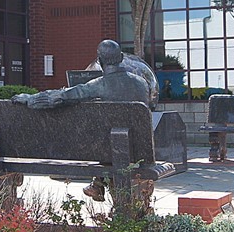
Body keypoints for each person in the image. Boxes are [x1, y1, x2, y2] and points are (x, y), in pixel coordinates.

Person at [11, 40, 149, 200]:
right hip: (140, 149)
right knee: (116, 140)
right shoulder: (142, 83)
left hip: (108, 150)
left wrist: (30, 99)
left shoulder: (98, 85)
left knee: (109, 142)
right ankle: (98, 184)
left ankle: (99, 184)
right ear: (122, 57)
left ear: (99, 60)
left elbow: (59, 97)